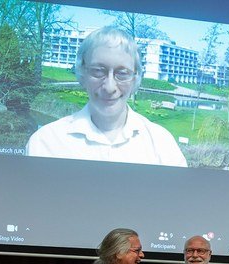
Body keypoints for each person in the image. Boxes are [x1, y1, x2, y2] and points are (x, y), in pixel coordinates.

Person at [26, 27, 187, 167]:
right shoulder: (45, 144)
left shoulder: (163, 147)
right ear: (82, 72)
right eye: (98, 71)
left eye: (122, 73)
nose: (110, 87)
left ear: (135, 78)